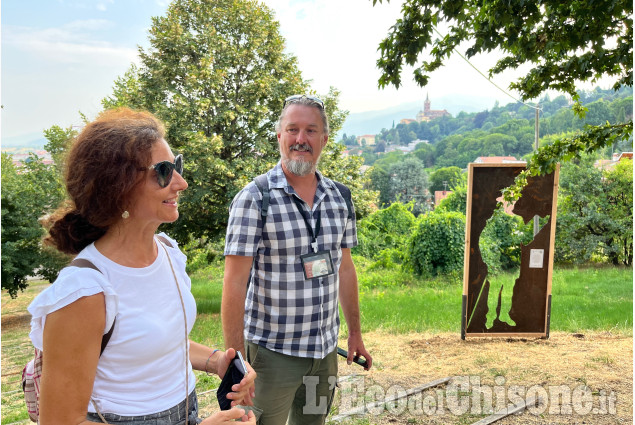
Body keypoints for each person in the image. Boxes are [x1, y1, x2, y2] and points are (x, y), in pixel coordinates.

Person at [28, 108, 257, 424]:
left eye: (176, 164)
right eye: (163, 171)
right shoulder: (85, 291)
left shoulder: (168, 253)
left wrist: (216, 361)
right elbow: (62, 421)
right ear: (117, 187)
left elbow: (151, 346)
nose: (181, 182)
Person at [222, 95, 373, 424]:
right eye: (292, 129)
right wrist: (236, 362)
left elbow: (345, 269)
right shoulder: (254, 198)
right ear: (279, 136)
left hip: (324, 354)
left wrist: (355, 334)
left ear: (324, 139)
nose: (301, 139)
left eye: (310, 130)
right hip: (272, 356)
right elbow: (233, 283)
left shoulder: (340, 198)